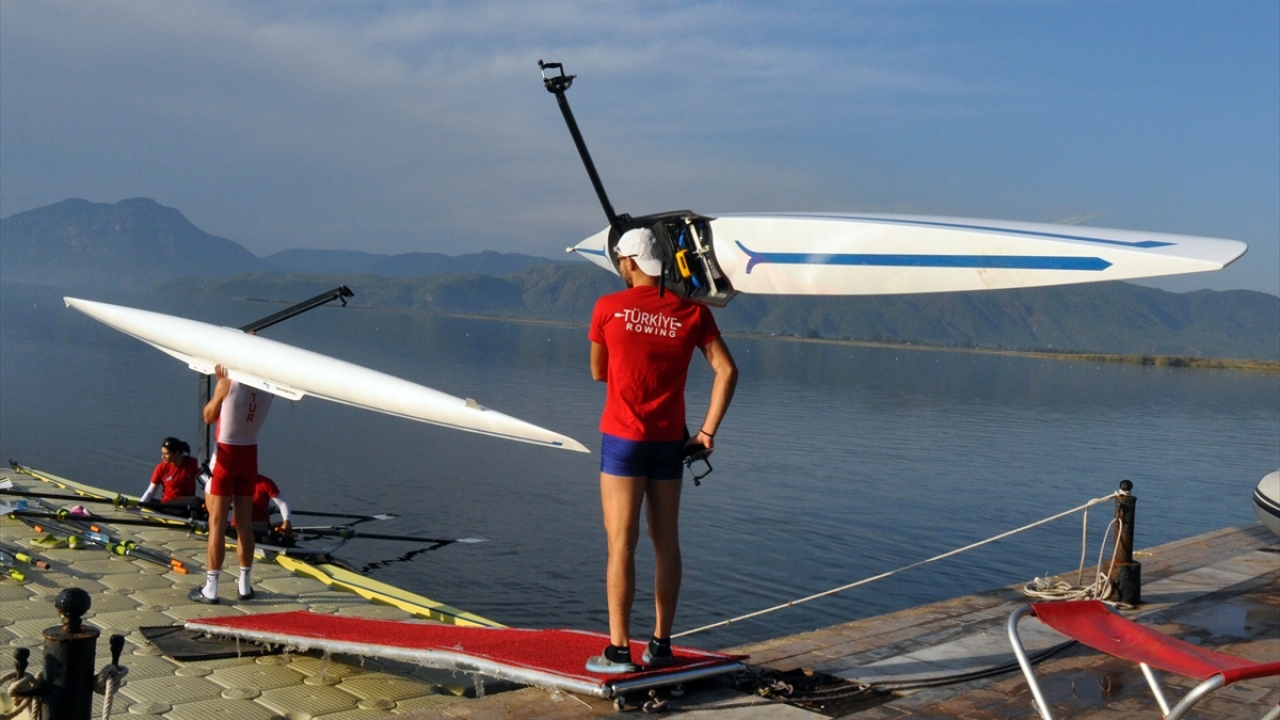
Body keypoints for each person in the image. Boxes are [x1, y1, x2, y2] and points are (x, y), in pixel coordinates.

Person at [585, 227, 738, 673]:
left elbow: (599, 373)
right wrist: (706, 433)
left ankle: (617, 651)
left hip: (623, 441)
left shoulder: (608, 308)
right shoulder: (693, 313)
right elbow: (727, 372)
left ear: (630, 263)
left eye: (620, 260)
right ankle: (661, 644)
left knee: (621, 544)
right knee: (665, 542)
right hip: (670, 443)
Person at [190, 365, 273, 604]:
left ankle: (211, 588)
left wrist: (219, 389)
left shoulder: (227, 383)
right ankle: (244, 586)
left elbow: (208, 416)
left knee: (216, 523)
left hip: (226, 456)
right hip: (250, 455)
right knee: (244, 523)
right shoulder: (269, 387)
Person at [139, 437, 201, 508]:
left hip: (188, 504)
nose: (162, 457)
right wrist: (139, 507)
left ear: (177, 453)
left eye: (166, 454)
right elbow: (150, 492)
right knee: (196, 501)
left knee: (203, 502)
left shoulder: (192, 463)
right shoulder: (161, 468)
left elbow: (207, 479)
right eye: (162, 453)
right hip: (169, 505)